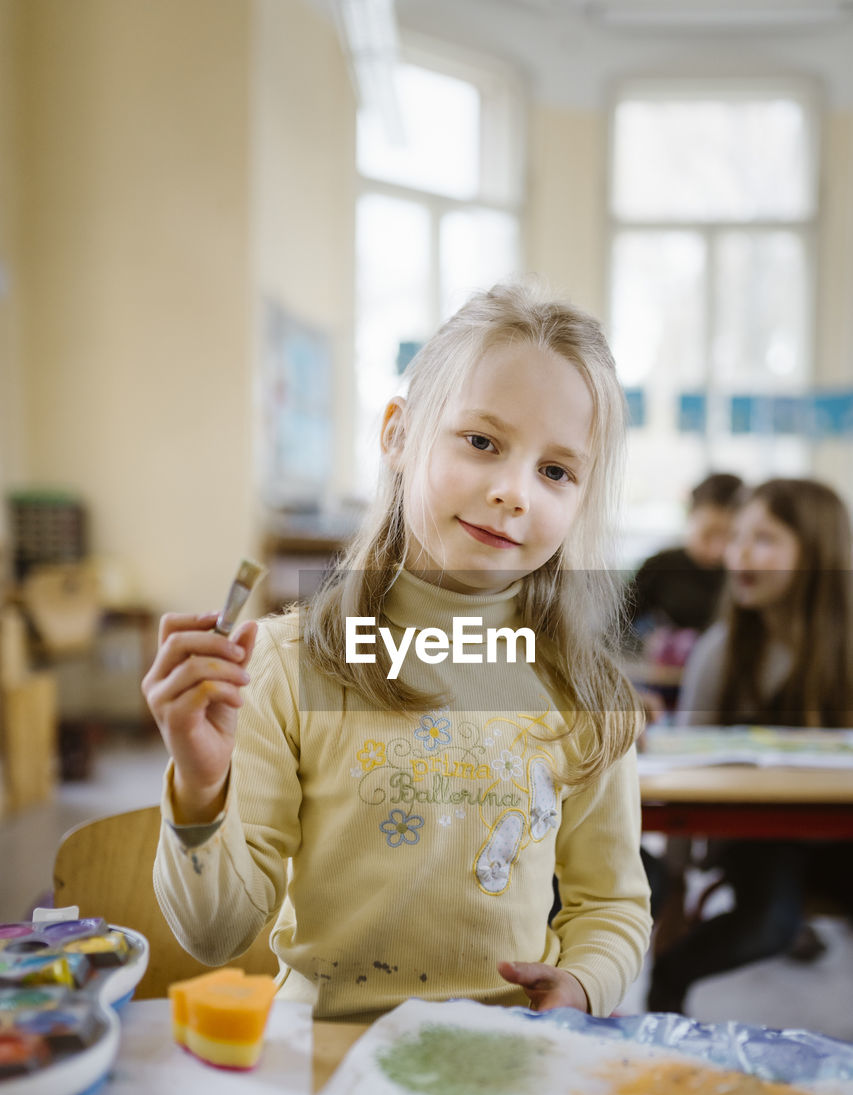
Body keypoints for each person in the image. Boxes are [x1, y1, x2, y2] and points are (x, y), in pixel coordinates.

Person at [142, 280, 652, 1022]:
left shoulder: (585, 688)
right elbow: (216, 936)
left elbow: (611, 904)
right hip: (323, 1055)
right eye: (481, 442)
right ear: (398, 436)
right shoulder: (287, 665)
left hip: (504, 1056)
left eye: (555, 471)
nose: (514, 491)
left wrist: (582, 984)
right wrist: (198, 782)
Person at [647, 477, 853, 1014]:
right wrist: (672, 886)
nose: (738, 552)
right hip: (763, 841)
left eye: (762, 538)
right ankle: (668, 988)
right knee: (767, 924)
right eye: (736, 536)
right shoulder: (721, 651)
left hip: (842, 838)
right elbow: (683, 773)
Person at [628, 471, 744, 643]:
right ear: (690, 516)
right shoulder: (660, 566)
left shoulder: (744, 573)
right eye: (708, 534)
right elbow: (616, 631)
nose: (717, 550)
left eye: (730, 536)